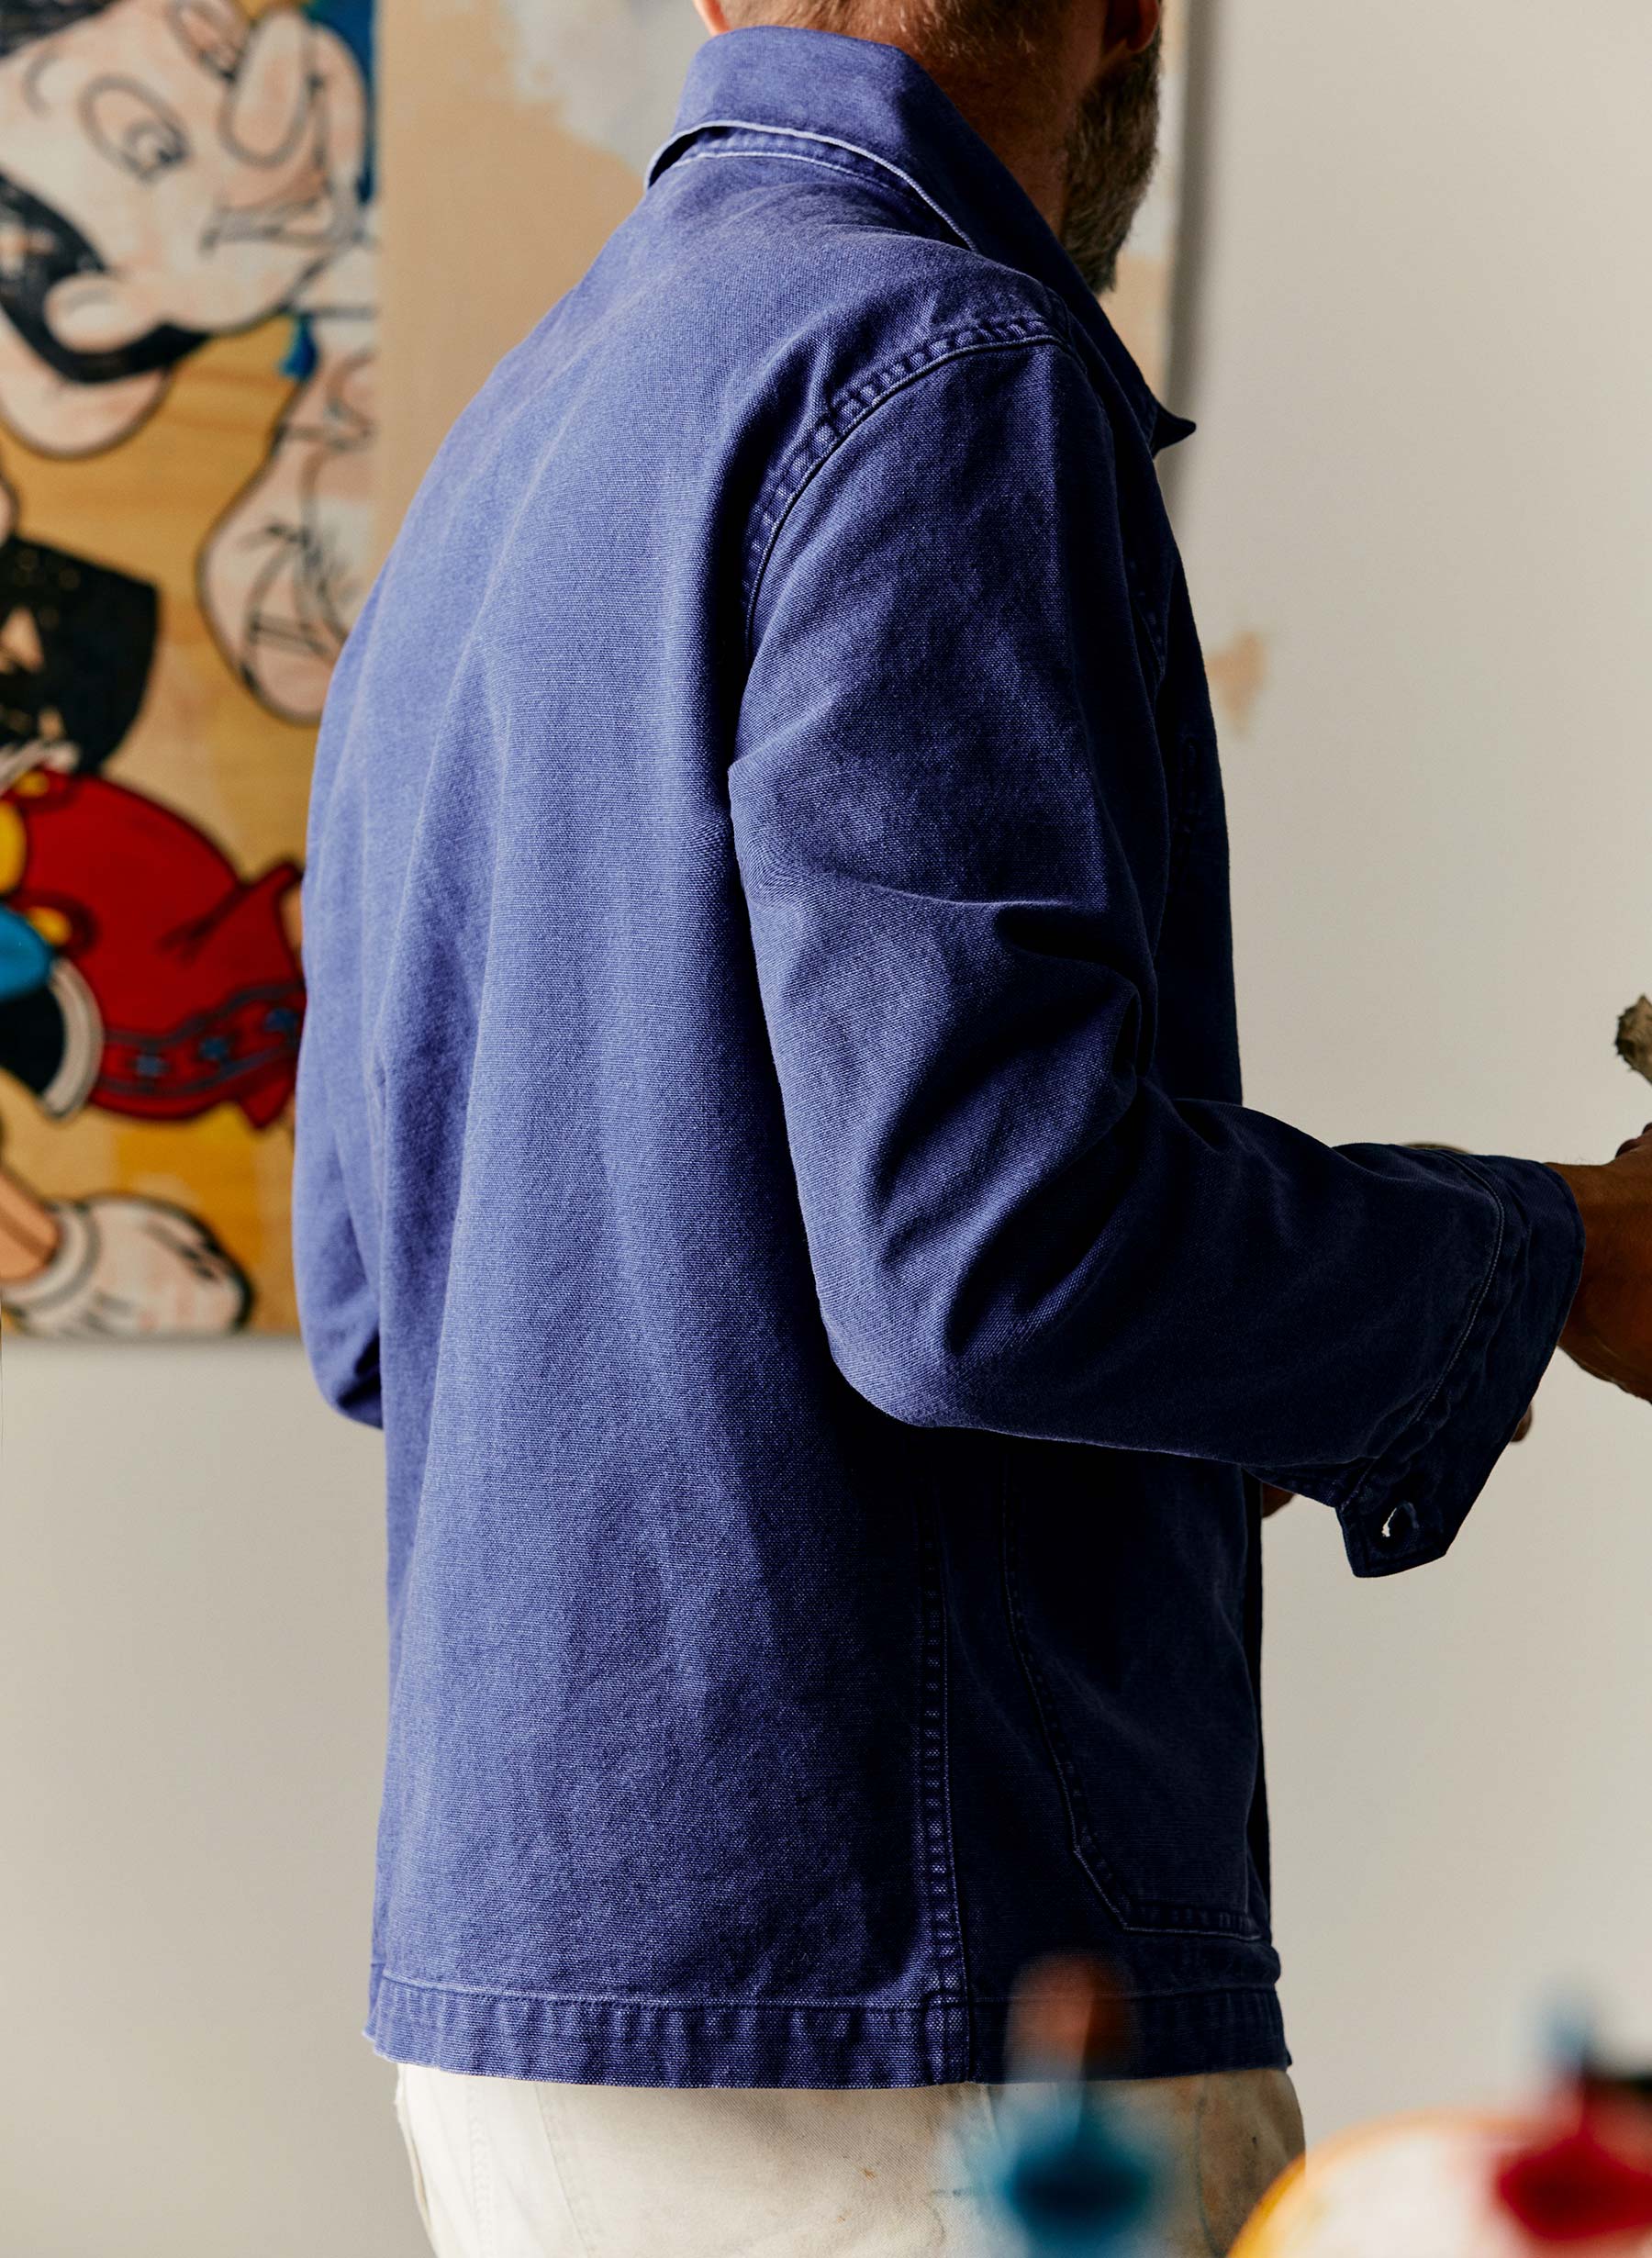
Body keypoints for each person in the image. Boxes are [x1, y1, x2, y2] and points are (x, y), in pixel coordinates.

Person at [292, 2, 1652, 2249]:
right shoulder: (942, 362)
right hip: (921, 2002)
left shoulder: (503, 445)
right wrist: (1559, 1258)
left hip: (520, 2001)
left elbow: (377, 1307)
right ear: (1130, 18)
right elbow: (995, 1255)